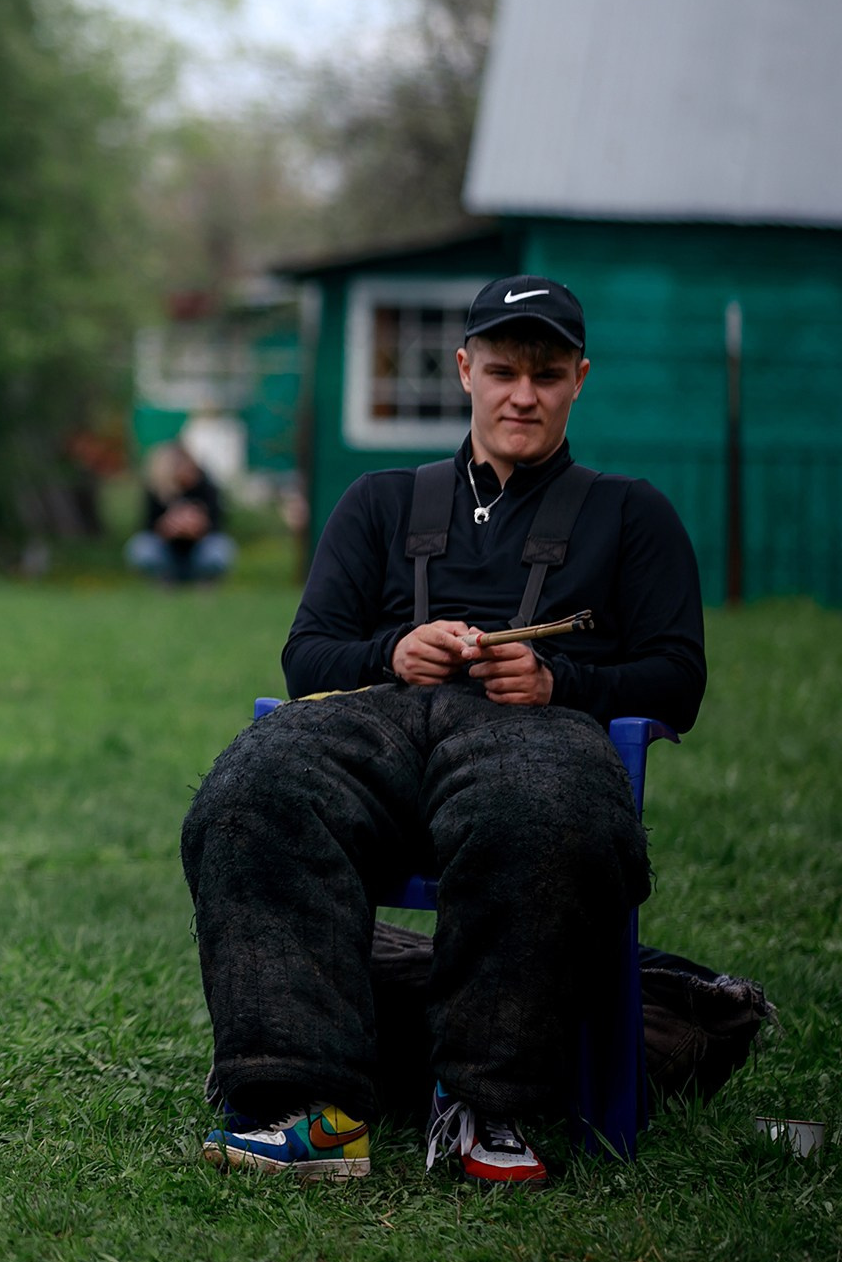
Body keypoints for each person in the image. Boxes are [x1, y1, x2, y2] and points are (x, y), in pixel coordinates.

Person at [182, 276, 705, 1187]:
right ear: (465, 370)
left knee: (542, 812)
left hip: (536, 735)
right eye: (502, 370)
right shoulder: (381, 499)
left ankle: (487, 1107)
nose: (523, 395)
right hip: (378, 723)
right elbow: (306, 657)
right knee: (251, 792)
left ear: (580, 377)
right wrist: (394, 651)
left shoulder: (633, 514)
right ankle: (304, 1106)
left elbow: (678, 678)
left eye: (547, 374)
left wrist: (558, 678)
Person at [126, 441, 236, 583]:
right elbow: (146, 526)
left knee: (219, 547)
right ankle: (164, 579)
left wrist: (198, 528)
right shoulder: (155, 493)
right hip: (168, 552)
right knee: (141, 547)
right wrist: (166, 529)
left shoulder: (207, 489)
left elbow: (219, 525)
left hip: (199, 551)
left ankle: (206, 581)